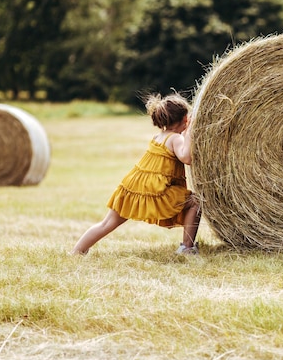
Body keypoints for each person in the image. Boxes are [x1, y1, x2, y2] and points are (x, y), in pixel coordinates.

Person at [71, 92, 201, 255]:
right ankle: (187, 247)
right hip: (156, 191)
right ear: (185, 120)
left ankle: (78, 250)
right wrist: (189, 134)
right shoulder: (176, 139)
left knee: (107, 223)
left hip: (133, 186)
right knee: (195, 202)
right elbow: (186, 157)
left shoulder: (158, 136)